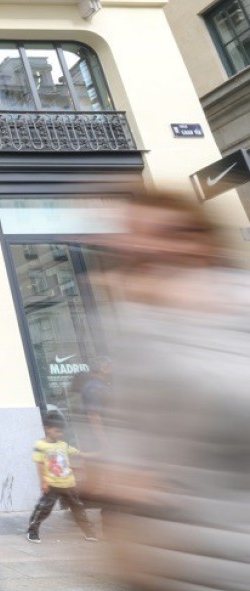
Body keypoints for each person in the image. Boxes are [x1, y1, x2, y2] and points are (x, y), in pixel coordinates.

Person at [88, 190, 250, 590]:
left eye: (167, 233)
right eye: (132, 234)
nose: (145, 245)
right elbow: (132, 434)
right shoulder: (135, 324)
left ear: (204, 241)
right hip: (170, 564)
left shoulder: (238, 309)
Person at [26, 412, 97, 543]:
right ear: (47, 428)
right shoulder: (40, 446)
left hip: (69, 484)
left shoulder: (63, 445)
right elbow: (40, 465)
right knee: (43, 509)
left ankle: (89, 532)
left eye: (61, 432)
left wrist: (95, 455)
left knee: (78, 509)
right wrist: (44, 482)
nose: (60, 434)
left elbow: (78, 454)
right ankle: (32, 531)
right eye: (57, 431)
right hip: (52, 485)